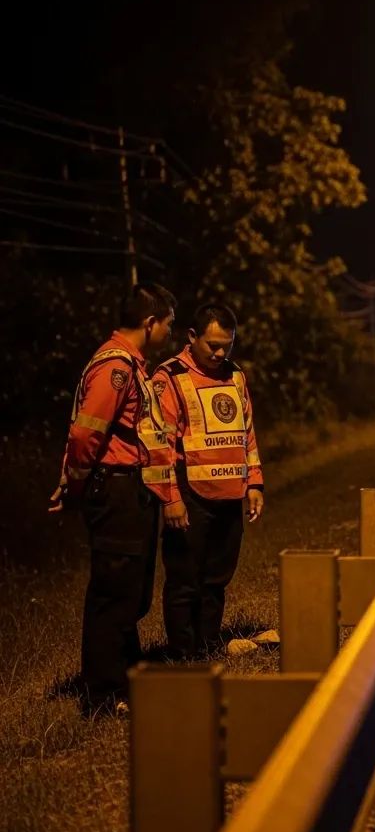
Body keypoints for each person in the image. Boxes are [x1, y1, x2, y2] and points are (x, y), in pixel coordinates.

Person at [49, 282, 184, 717]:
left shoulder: (131, 364)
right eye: (168, 324)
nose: (170, 334)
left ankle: (128, 676)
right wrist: (74, 485)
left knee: (131, 590)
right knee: (114, 591)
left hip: (132, 489)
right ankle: (102, 697)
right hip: (117, 490)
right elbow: (86, 433)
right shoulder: (116, 368)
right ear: (150, 323)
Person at [154, 303, 264, 659]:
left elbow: (246, 434)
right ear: (192, 337)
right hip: (190, 494)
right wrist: (171, 498)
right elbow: (161, 446)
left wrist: (255, 483)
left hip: (231, 494)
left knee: (217, 579)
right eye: (212, 345)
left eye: (226, 346)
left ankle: (208, 645)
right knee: (185, 580)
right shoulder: (169, 377)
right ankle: (183, 654)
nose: (219, 353)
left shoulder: (235, 376)